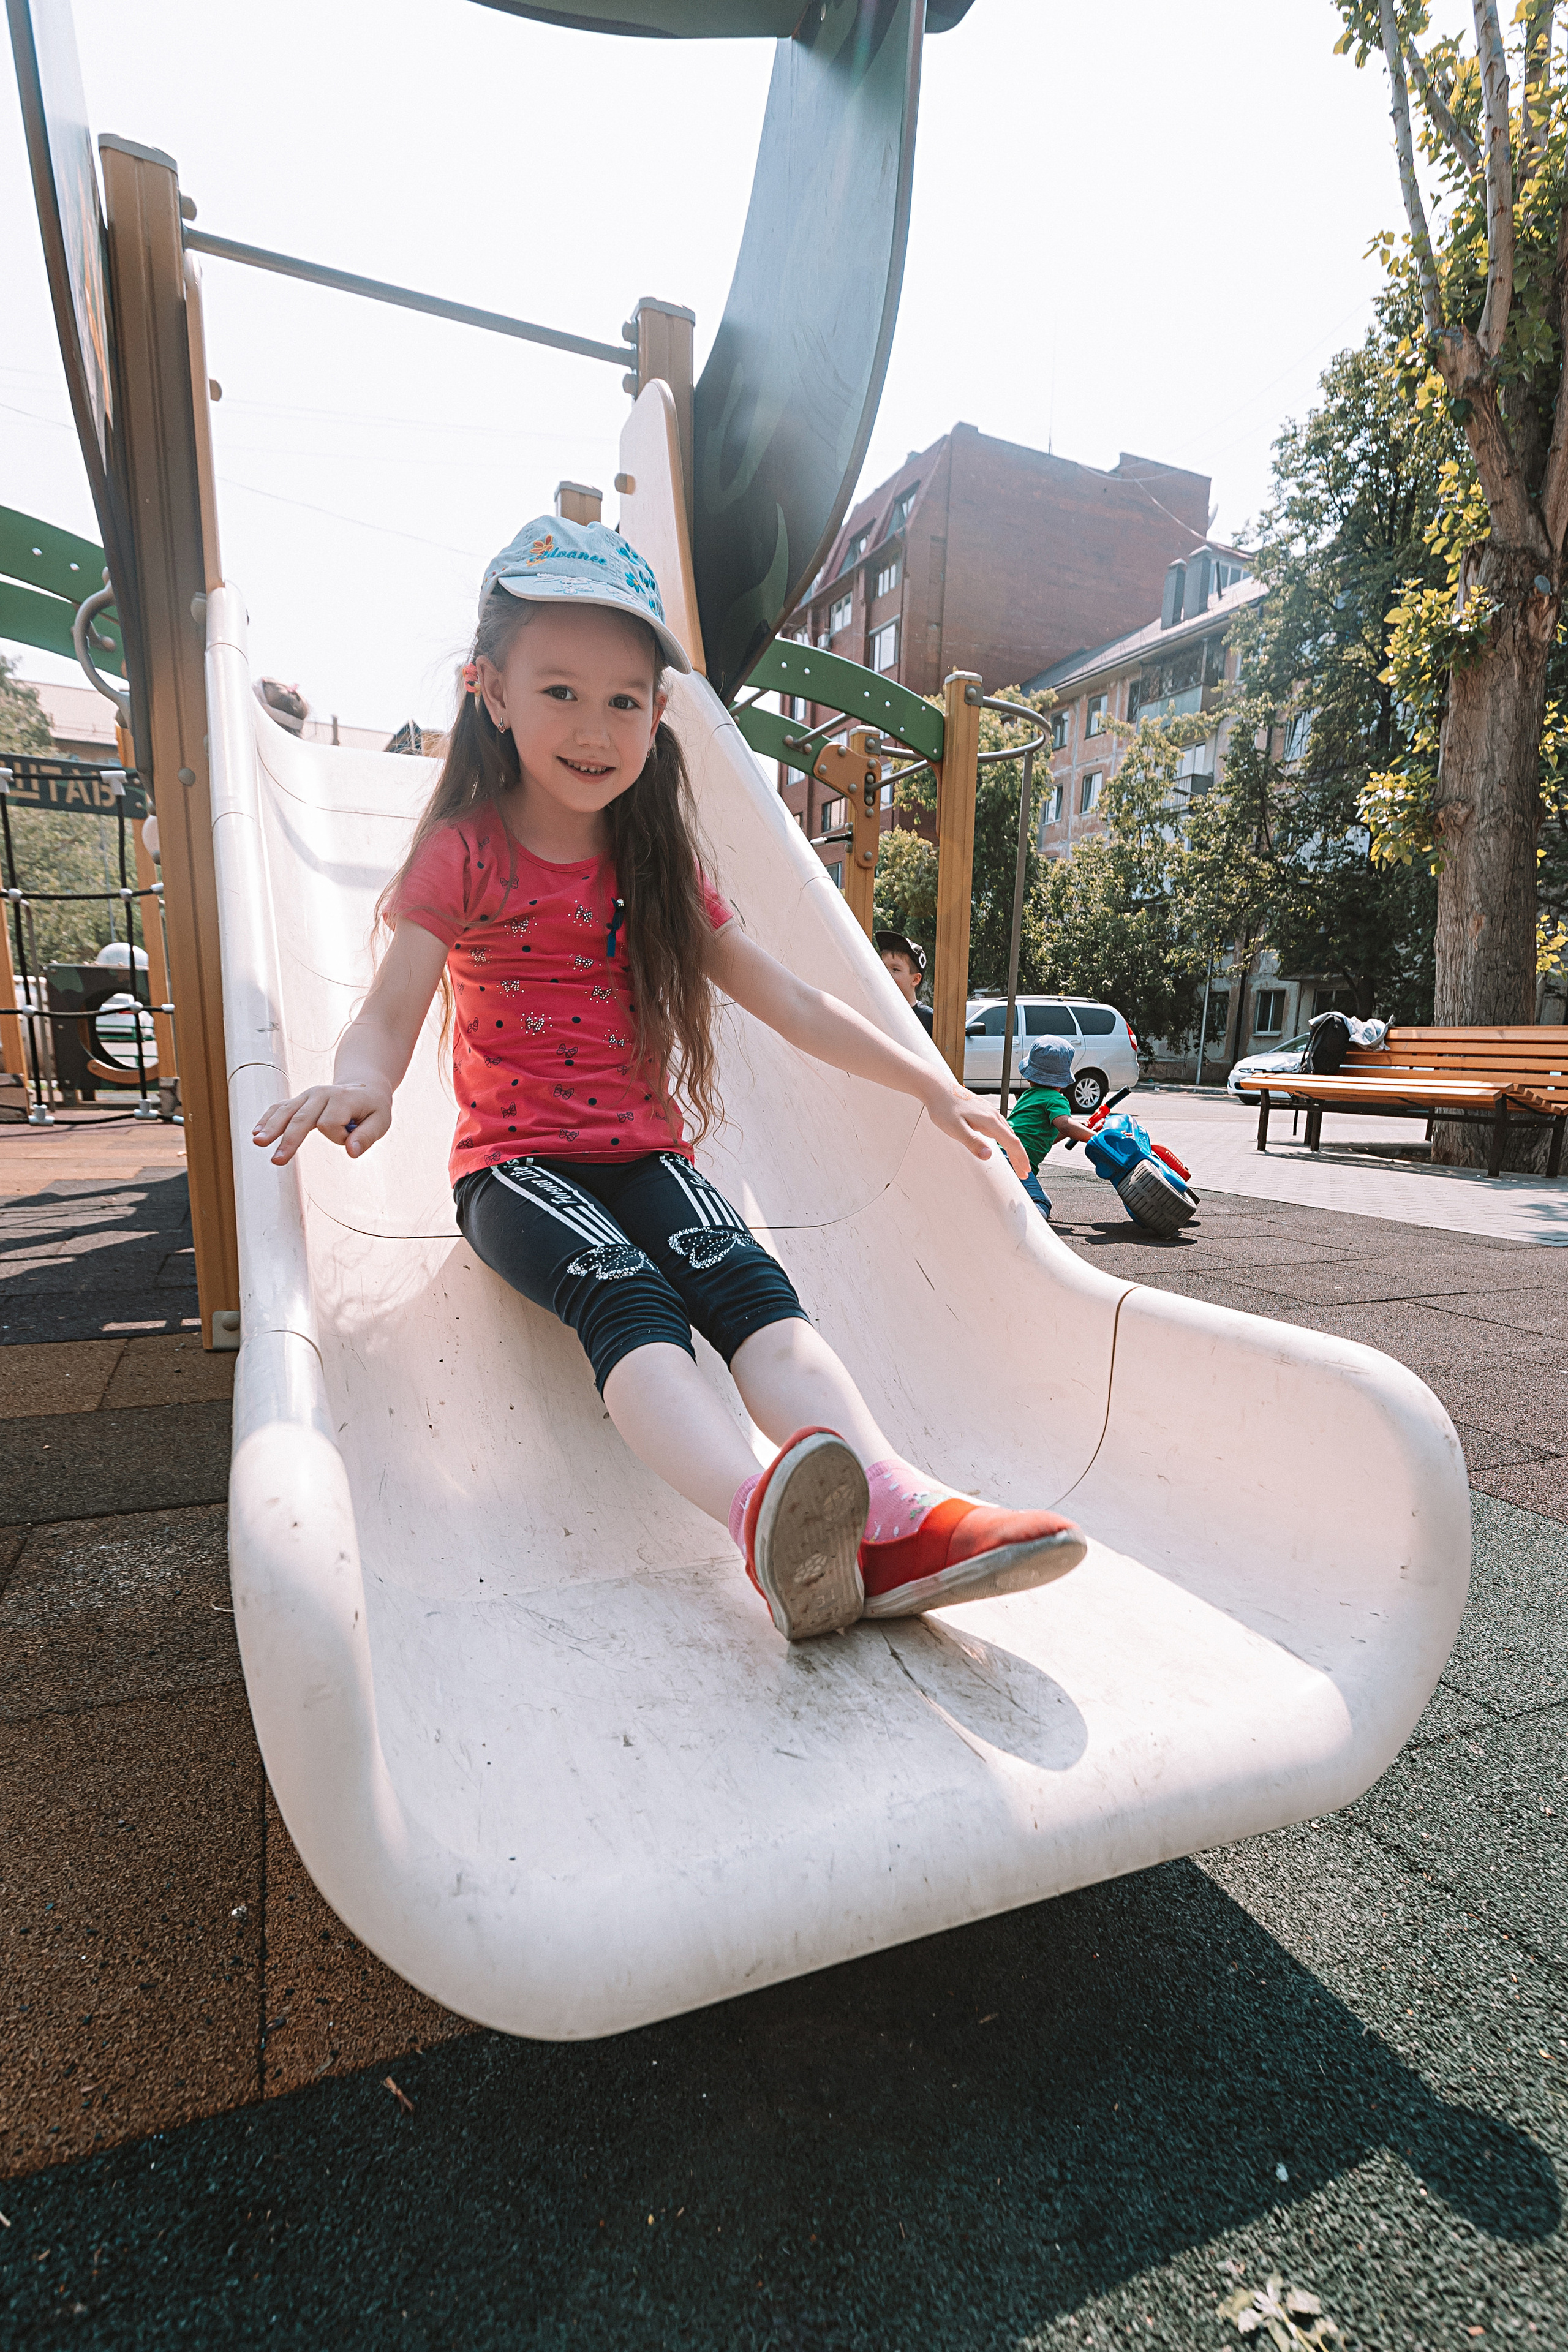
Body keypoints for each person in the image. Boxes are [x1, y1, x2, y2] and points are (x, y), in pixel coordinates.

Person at [253, 516, 1088, 1645]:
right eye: (560, 692)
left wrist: (930, 1083)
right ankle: (765, 1523)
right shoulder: (463, 851)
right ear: (490, 691)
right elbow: (386, 1015)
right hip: (516, 1171)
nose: (594, 729)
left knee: (747, 1283)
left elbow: (793, 999)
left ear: (657, 713)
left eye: (625, 700)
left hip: (647, 1155)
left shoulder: (655, 865)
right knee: (626, 1293)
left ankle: (899, 1509)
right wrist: (365, 1086)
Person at [1006, 1039, 1097, 1218]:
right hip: (1017, 1163)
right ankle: (1019, 1225)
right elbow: (1064, 1124)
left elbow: (1043, 1137)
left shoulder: (1027, 1096)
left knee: (1027, 1194)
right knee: (1042, 1204)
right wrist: (1096, 1136)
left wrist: (1078, 1131)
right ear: (1063, 1081)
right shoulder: (1056, 1100)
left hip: (1002, 1153)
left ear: (1029, 1075)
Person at [875, 929, 933, 1035]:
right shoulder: (876, 1010)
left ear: (915, 979)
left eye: (896, 970)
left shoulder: (928, 1019)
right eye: (883, 967)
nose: (886, 974)